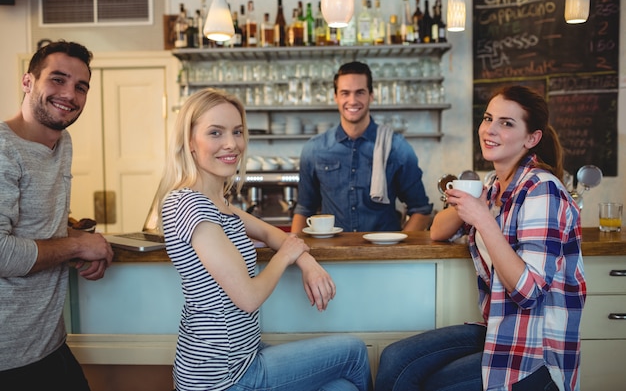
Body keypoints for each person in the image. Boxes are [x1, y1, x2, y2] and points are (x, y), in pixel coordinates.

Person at [156, 87, 372, 391]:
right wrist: (288, 254)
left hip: (242, 356)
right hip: (221, 376)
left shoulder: (219, 204)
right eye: (215, 133)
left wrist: (307, 261)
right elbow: (248, 297)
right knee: (354, 352)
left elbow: (270, 233)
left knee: (342, 388)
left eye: (237, 132)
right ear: (190, 142)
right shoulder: (188, 203)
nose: (231, 144)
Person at [375, 85, 586, 391]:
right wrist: (468, 202)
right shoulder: (495, 184)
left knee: (430, 384)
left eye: (507, 123)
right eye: (488, 118)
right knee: (395, 359)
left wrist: (484, 219)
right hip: (499, 327)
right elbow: (437, 231)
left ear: (532, 138)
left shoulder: (542, 189)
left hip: (536, 349)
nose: (490, 129)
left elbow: (530, 293)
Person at [0, 41, 114, 389]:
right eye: (58, 79)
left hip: (47, 344)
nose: (70, 94)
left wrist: (82, 239)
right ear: (27, 82)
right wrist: (78, 247)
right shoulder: (4, 150)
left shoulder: (61, 142)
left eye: (81, 86)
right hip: (8, 357)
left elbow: (39, 224)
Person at [291, 61, 432, 233]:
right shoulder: (314, 149)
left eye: (360, 92)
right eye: (345, 93)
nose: (352, 100)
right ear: (335, 97)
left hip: (383, 254)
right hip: (331, 254)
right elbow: (304, 210)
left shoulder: (397, 147)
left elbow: (421, 211)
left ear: (371, 95)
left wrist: (398, 250)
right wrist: (295, 252)